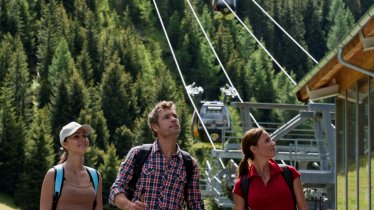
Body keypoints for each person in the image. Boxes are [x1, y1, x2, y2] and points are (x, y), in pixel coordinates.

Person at [109, 101, 205, 209]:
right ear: (155, 127)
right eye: (166, 117)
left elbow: (195, 204)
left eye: (175, 116)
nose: (173, 119)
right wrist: (129, 205)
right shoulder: (138, 154)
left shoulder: (190, 164)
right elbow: (116, 189)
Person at [232, 127, 309, 210]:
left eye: (271, 139)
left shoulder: (289, 173)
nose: (273, 143)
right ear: (254, 149)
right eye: (267, 141)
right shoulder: (241, 185)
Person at [40, 121, 103, 210]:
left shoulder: (95, 176)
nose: (83, 139)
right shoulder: (53, 175)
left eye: (84, 135)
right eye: (76, 136)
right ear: (65, 144)